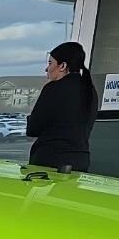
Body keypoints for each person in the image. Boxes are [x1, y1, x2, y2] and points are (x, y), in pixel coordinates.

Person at [26, 42, 98, 172]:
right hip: (80, 159)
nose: (46, 69)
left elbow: (33, 129)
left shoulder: (53, 89)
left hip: (51, 160)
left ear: (63, 66)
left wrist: (31, 118)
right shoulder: (90, 91)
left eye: (50, 63)